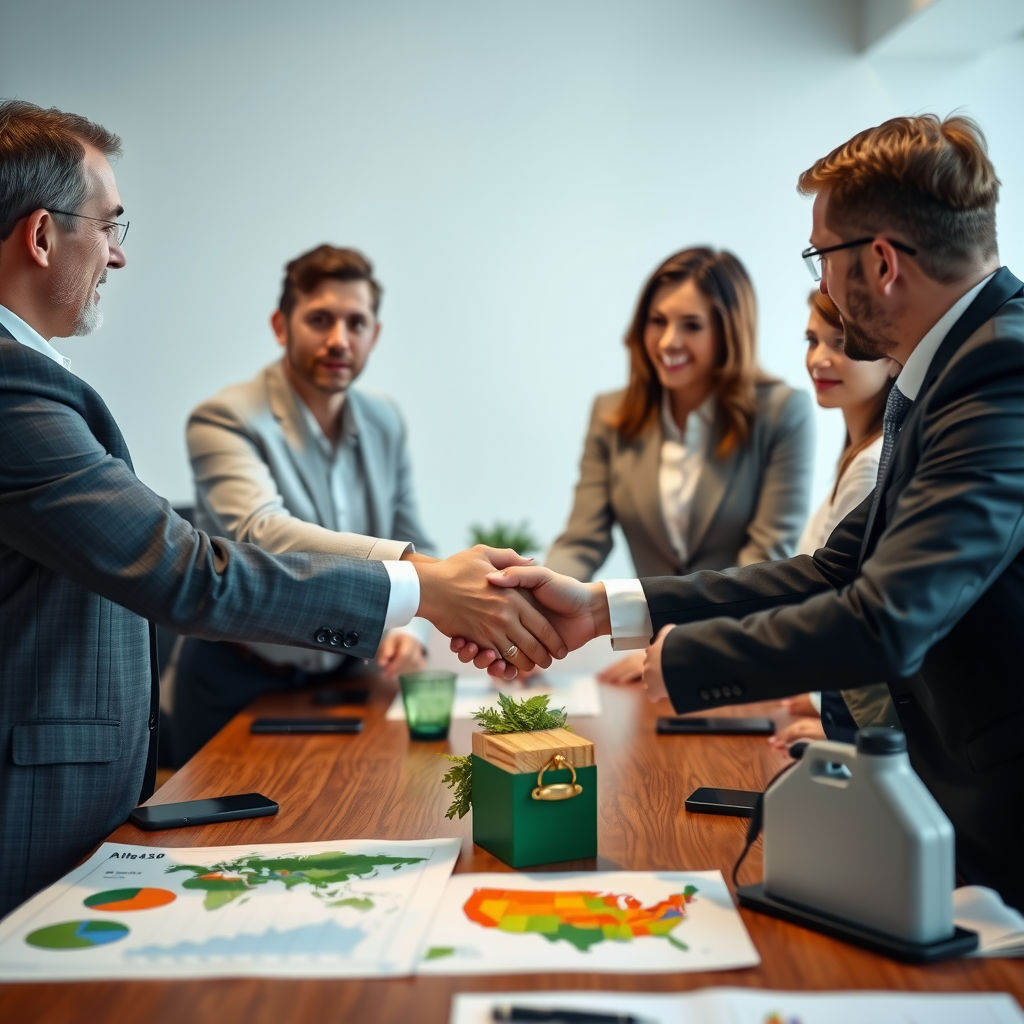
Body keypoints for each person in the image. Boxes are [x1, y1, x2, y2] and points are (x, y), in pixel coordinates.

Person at [0, 101, 565, 917]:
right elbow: (193, 566)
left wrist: (441, 596)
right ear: (43, 235)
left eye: (358, 322)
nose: (119, 255)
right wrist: (424, 587)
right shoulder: (19, 387)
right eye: (110, 225)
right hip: (101, 763)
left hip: (280, 702)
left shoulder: (36, 378)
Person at [457, 115, 1024, 912]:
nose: (822, 289)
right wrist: (600, 610)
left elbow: (885, 618)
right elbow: (833, 568)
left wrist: (683, 658)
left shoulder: (999, 369)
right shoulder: (949, 365)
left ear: (883, 261)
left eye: (820, 259)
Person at [172, 245, 435, 765]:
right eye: (320, 319)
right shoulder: (223, 418)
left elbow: (417, 536)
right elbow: (260, 532)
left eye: (356, 323)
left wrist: (413, 630)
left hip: (348, 678)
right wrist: (413, 577)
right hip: (235, 681)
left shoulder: (385, 420)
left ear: (374, 335)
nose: (340, 339)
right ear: (281, 325)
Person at [547, 248, 814, 684]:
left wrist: (677, 649)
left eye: (691, 325)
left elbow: (765, 560)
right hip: (650, 669)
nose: (668, 341)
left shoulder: (783, 413)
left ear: (728, 332)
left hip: (741, 658)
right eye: (657, 321)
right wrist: (536, 615)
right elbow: (582, 539)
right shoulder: (611, 413)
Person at [772, 291, 899, 749]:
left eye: (841, 342)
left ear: (891, 358)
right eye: (812, 340)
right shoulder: (859, 453)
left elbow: (845, 608)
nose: (819, 359)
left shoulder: (871, 464)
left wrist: (836, 720)